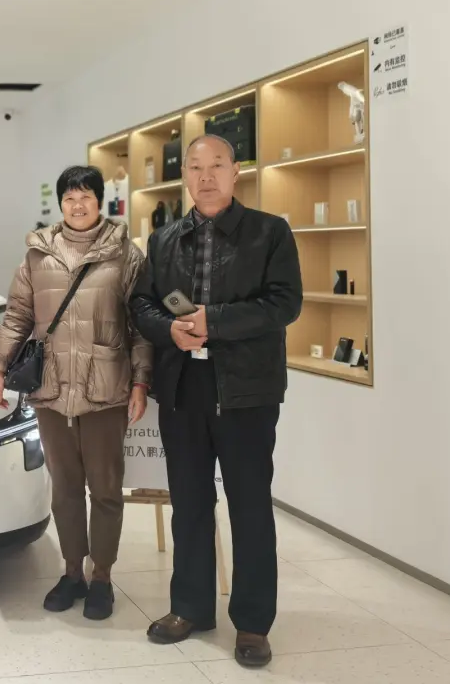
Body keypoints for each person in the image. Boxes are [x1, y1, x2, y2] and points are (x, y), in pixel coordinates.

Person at [129, 134, 302, 668]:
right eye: (196, 167)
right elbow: (142, 303)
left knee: (250, 506)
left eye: (217, 165)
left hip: (246, 390)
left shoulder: (270, 232)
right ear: (185, 175)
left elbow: (284, 303)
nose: (206, 176)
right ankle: (190, 608)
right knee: (189, 503)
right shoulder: (163, 239)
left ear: (235, 172)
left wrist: (215, 322)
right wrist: (170, 330)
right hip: (183, 386)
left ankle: (252, 623)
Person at [0, 165, 152, 621]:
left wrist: (141, 381)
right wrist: (0, 366)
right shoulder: (37, 255)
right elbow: (18, 316)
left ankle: (102, 576)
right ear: (60, 204)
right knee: (64, 488)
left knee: (105, 488)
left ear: (100, 202)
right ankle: (72, 572)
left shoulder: (126, 255)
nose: (78, 206)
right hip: (52, 387)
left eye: (86, 197)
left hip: (106, 388)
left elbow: (141, 326)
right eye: (69, 198)